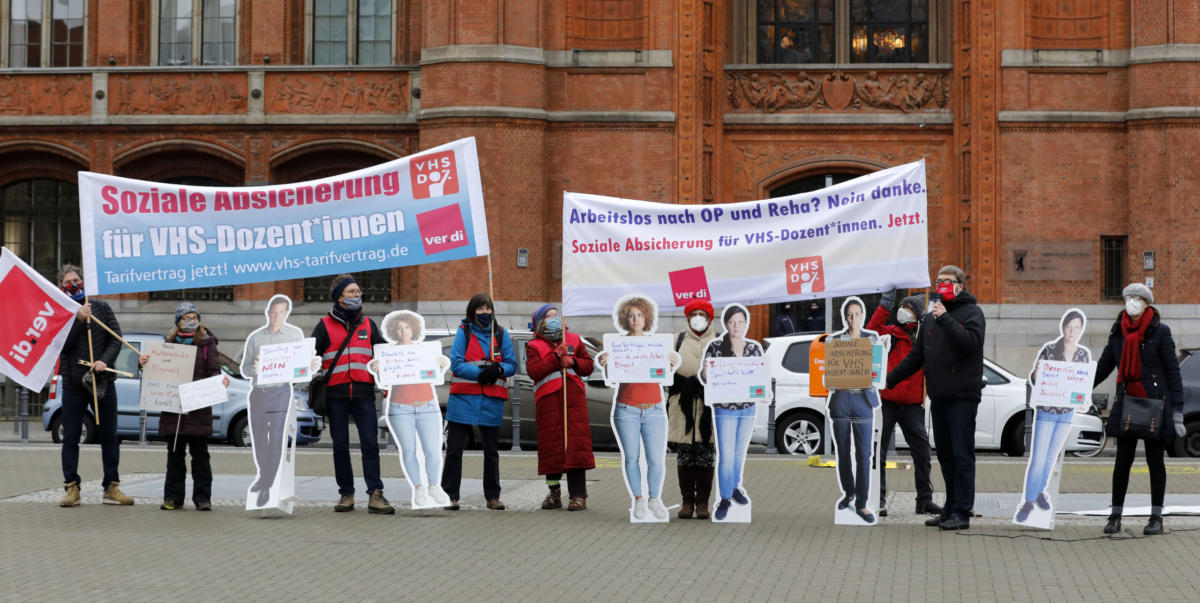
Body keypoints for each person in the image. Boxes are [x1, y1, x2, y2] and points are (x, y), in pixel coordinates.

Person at [887, 265, 986, 531]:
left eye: (948, 281)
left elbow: (970, 345)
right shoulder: (929, 318)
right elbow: (916, 357)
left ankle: (963, 512)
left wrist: (946, 319)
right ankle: (950, 509)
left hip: (963, 397)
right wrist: (888, 380)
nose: (942, 285)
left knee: (961, 455)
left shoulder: (972, 313)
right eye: (939, 281)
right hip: (939, 396)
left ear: (961, 285)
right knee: (944, 455)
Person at [1094, 284, 1184, 536]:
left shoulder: (1160, 331)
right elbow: (1104, 366)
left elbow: (1173, 373)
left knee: (1155, 461)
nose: (1131, 302)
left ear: (1147, 303)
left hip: (1154, 404)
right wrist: (1078, 386)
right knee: (1122, 461)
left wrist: (1177, 410)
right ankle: (1115, 516)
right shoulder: (1118, 331)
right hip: (1127, 403)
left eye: (1137, 298)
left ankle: (1156, 517)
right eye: (1128, 298)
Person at [311, 274, 393, 514]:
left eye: (358, 292)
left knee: (370, 444)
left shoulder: (369, 325)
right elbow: (310, 357)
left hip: (364, 393)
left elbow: (384, 354)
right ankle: (346, 493)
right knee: (340, 447)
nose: (357, 295)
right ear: (339, 297)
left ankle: (375, 494)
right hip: (335, 395)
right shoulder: (324, 325)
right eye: (351, 292)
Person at [56, 264, 133, 507]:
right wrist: (78, 319)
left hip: (101, 381)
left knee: (109, 434)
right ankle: (71, 487)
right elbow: (62, 347)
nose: (73, 285)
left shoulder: (101, 307)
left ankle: (111, 486)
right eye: (68, 283)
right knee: (70, 437)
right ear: (61, 287)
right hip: (73, 383)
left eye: (76, 280)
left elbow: (116, 338)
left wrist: (104, 361)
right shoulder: (61, 312)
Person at [141, 302, 228, 511]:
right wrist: (143, 362)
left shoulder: (207, 343)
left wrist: (220, 381)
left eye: (194, 317)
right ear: (178, 322)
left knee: (200, 457)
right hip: (174, 408)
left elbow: (214, 370)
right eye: (186, 318)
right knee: (174, 456)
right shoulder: (168, 343)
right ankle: (172, 498)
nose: (191, 321)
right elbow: (155, 369)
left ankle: (202, 498)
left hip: (198, 409)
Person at [601, 294, 678, 521]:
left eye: (639, 315)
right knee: (632, 457)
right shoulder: (618, 345)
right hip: (627, 409)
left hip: (654, 408)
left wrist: (670, 365)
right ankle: (638, 499)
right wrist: (607, 364)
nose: (635, 319)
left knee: (656, 459)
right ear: (625, 319)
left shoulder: (656, 344)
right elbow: (612, 379)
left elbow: (664, 377)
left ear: (647, 317)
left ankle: (654, 498)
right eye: (631, 315)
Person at [867, 291, 940, 518]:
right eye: (902, 307)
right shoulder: (892, 333)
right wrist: (885, 304)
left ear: (918, 315)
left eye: (908, 308)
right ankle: (877, 499)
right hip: (886, 402)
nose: (903, 311)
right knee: (877, 453)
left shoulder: (924, 337)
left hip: (912, 405)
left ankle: (924, 501)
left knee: (922, 452)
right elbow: (872, 328)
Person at [442, 293, 516, 511]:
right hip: (463, 399)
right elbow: (456, 363)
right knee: (455, 450)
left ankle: (493, 497)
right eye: (480, 309)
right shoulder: (463, 331)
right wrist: (480, 373)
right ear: (472, 311)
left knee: (491, 452)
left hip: (490, 400)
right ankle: (450, 495)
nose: (484, 313)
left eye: (488, 309)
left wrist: (499, 369)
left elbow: (512, 364)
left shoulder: (501, 334)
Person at [1016, 310, 1089, 523]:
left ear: (1081, 329)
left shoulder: (1083, 355)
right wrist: (1036, 375)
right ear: (1063, 327)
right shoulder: (1049, 350)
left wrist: (1083, 399)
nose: (1071, 331)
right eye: (1068, 326)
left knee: (1050, 458)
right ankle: (1028, 501)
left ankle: (1039, 492)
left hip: (1066, 413)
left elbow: (1082, 384)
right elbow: (1034, 379)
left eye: (1076, 327)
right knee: (1038, 458)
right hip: (1047, 412)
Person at [376, 311, 452, 508]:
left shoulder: (424, 351)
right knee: (408, 450)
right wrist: (378, 369)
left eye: (407, 327)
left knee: (433, 450)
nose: (403, 331)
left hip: (427, 404)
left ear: (414, 329)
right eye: (399, 328)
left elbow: (436, 376)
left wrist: (442, 365)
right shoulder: (388, 354)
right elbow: (384, 383)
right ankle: (418, 487)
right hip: (400, 407)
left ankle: (434, 486)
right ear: (393, 331)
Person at [525, 304, 595, 511]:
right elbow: (534, 371)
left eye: (557, 315)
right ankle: (554, 493)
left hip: (573, 401)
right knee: (552, 448)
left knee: (575, 447)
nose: (555, 318)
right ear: (540, 322)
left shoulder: (573, 339)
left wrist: (573, 361)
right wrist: (555, 357)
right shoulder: (534, 345)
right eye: (549, 316)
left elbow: (588, 365)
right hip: (549, 401)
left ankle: (578, 495)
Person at [701, 304, 763, 521]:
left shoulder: (754, 349)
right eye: (732, 321)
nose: (736, 325)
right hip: (725, 409)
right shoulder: (716, 347)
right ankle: (725, 497)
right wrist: (706, 372)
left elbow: (759, 377)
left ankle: (735, 486)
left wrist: (763, 391)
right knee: (726, 455)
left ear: (746, 323)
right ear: (726, 323)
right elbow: (705, 376)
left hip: (747, 408)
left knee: (738, 453)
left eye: (740, 321)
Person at [241, 294, 304, 508]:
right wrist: (254, 369)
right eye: (273, 311)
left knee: (276, 437)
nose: (276, 316)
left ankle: (268, 484)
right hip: (259, 391)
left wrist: (307, 366)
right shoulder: (256, 338)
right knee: (259, 438)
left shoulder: (295, 335)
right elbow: (245, 368)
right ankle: (265, 475)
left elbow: (299, 367)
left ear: (286, 313)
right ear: (268, 313)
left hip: (280, 392)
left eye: (281, 312)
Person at [827, 297, 880, 523]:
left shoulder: (872, 339)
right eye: (849, 314)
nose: (852, 318)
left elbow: (880, 369)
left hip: (863, 400)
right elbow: (827, 373)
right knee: (843, 452)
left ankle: (862, 503)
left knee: (864, 454)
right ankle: (848, 493)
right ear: (844, 317)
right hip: (841, 399)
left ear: (862, 315)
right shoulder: (835, 341)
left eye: (856, 314)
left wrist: (882, 351)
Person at [667, 299, 717, 519]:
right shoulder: (676, 341)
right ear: (687, 317)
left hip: (709, 407)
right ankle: (687, 502)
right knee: (685, 457)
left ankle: (703, 503)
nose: (698, 317)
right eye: (694, 313)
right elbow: (664, 371)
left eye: (702, 313)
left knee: (706, 456)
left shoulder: (719, 342)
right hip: (682, 405)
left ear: (709, 318)